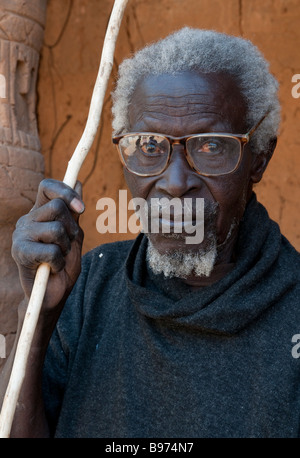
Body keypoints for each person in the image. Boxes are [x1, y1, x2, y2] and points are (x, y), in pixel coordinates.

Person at [0, 27, 299, 438]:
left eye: (210, 146)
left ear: (259, 160)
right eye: (150, 146)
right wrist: (39, 317)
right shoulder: (88, 288)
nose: (175, 183)